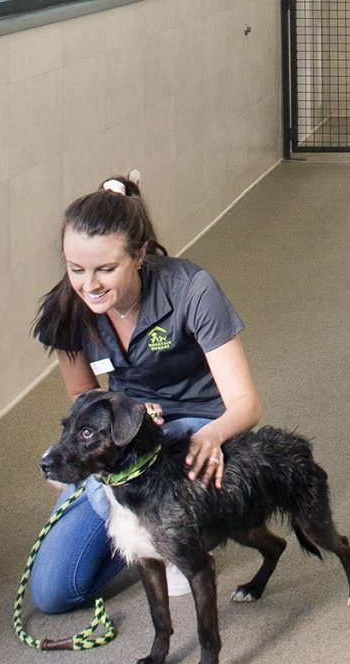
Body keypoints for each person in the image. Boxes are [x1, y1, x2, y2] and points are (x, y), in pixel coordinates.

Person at [27, 174, 263, 612]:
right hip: (125, 431)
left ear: (138, 256)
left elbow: (246, 404)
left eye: (105, 269)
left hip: (195, 424)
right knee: (53, 591)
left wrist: (212, 436)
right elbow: (82, 397)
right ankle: (149, 535)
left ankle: (173, 538)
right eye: (76, 269)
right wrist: (125, 417)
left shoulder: (192, 289)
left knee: (151, 473)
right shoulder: (67, 306)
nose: (89, 285)